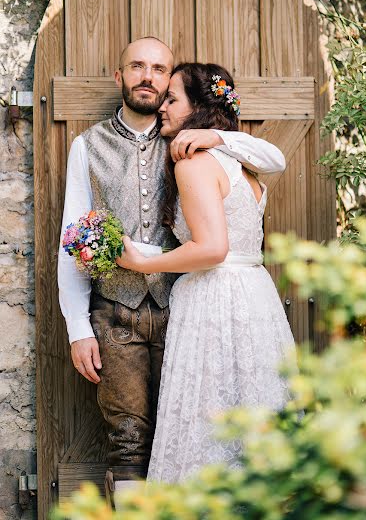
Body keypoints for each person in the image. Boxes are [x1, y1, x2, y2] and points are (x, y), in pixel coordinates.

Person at [58, 38, 286, 500]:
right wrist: (77, 326)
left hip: (185, 309)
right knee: (129, 440)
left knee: (191, 432)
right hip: (117, 313)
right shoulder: (88, 146)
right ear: (117, 75)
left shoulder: (189, 147)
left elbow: (272, 159)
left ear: (168, 85)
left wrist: (216, 134)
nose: (147, 76)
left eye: (159, 69)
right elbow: (74, 236)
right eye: (136, 66)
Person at [117, 62, 295, 483]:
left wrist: (142, 262)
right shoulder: (240, 164)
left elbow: (212, 249)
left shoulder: (194, 161)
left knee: (207, 425)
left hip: (216, 300)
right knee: (253, 413)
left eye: (172, 98)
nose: (162, 106)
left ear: (197, 107)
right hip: (254, 295)